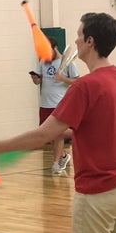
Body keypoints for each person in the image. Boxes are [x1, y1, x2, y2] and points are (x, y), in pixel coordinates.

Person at [0, 12, 116, 233]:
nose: (76, 41)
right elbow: (112, 126)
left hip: (100, 191)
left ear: (90, 41)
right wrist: (72, 131)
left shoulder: (85, 86)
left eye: (79, 35)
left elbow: (42, 136)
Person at [29, 36, 79, 173]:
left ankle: (56, 163)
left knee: (58, 133)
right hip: (45, 103)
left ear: (55, 48)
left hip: (59, 103)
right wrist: (35, 78)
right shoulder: (43, 61)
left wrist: (62, 78)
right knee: (48, 134)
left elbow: (76, 82)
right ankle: (63, 156)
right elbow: (37, 82)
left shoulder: (68, 63)